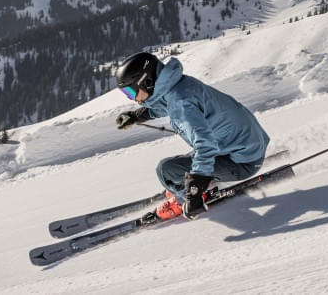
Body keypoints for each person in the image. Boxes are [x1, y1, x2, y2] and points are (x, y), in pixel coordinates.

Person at [115, 52, 270, 221]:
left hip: (242, 161)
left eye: (131, 92)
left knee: (166, 170)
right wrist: (138, 115)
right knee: (182, 168)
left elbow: (205, 145)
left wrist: (195, 189)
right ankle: (186, 184)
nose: (133, 98)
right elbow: (166, 103)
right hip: (246, 145)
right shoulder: (178, 86)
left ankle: (181, 200)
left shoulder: (180, 103)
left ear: (147, 82)